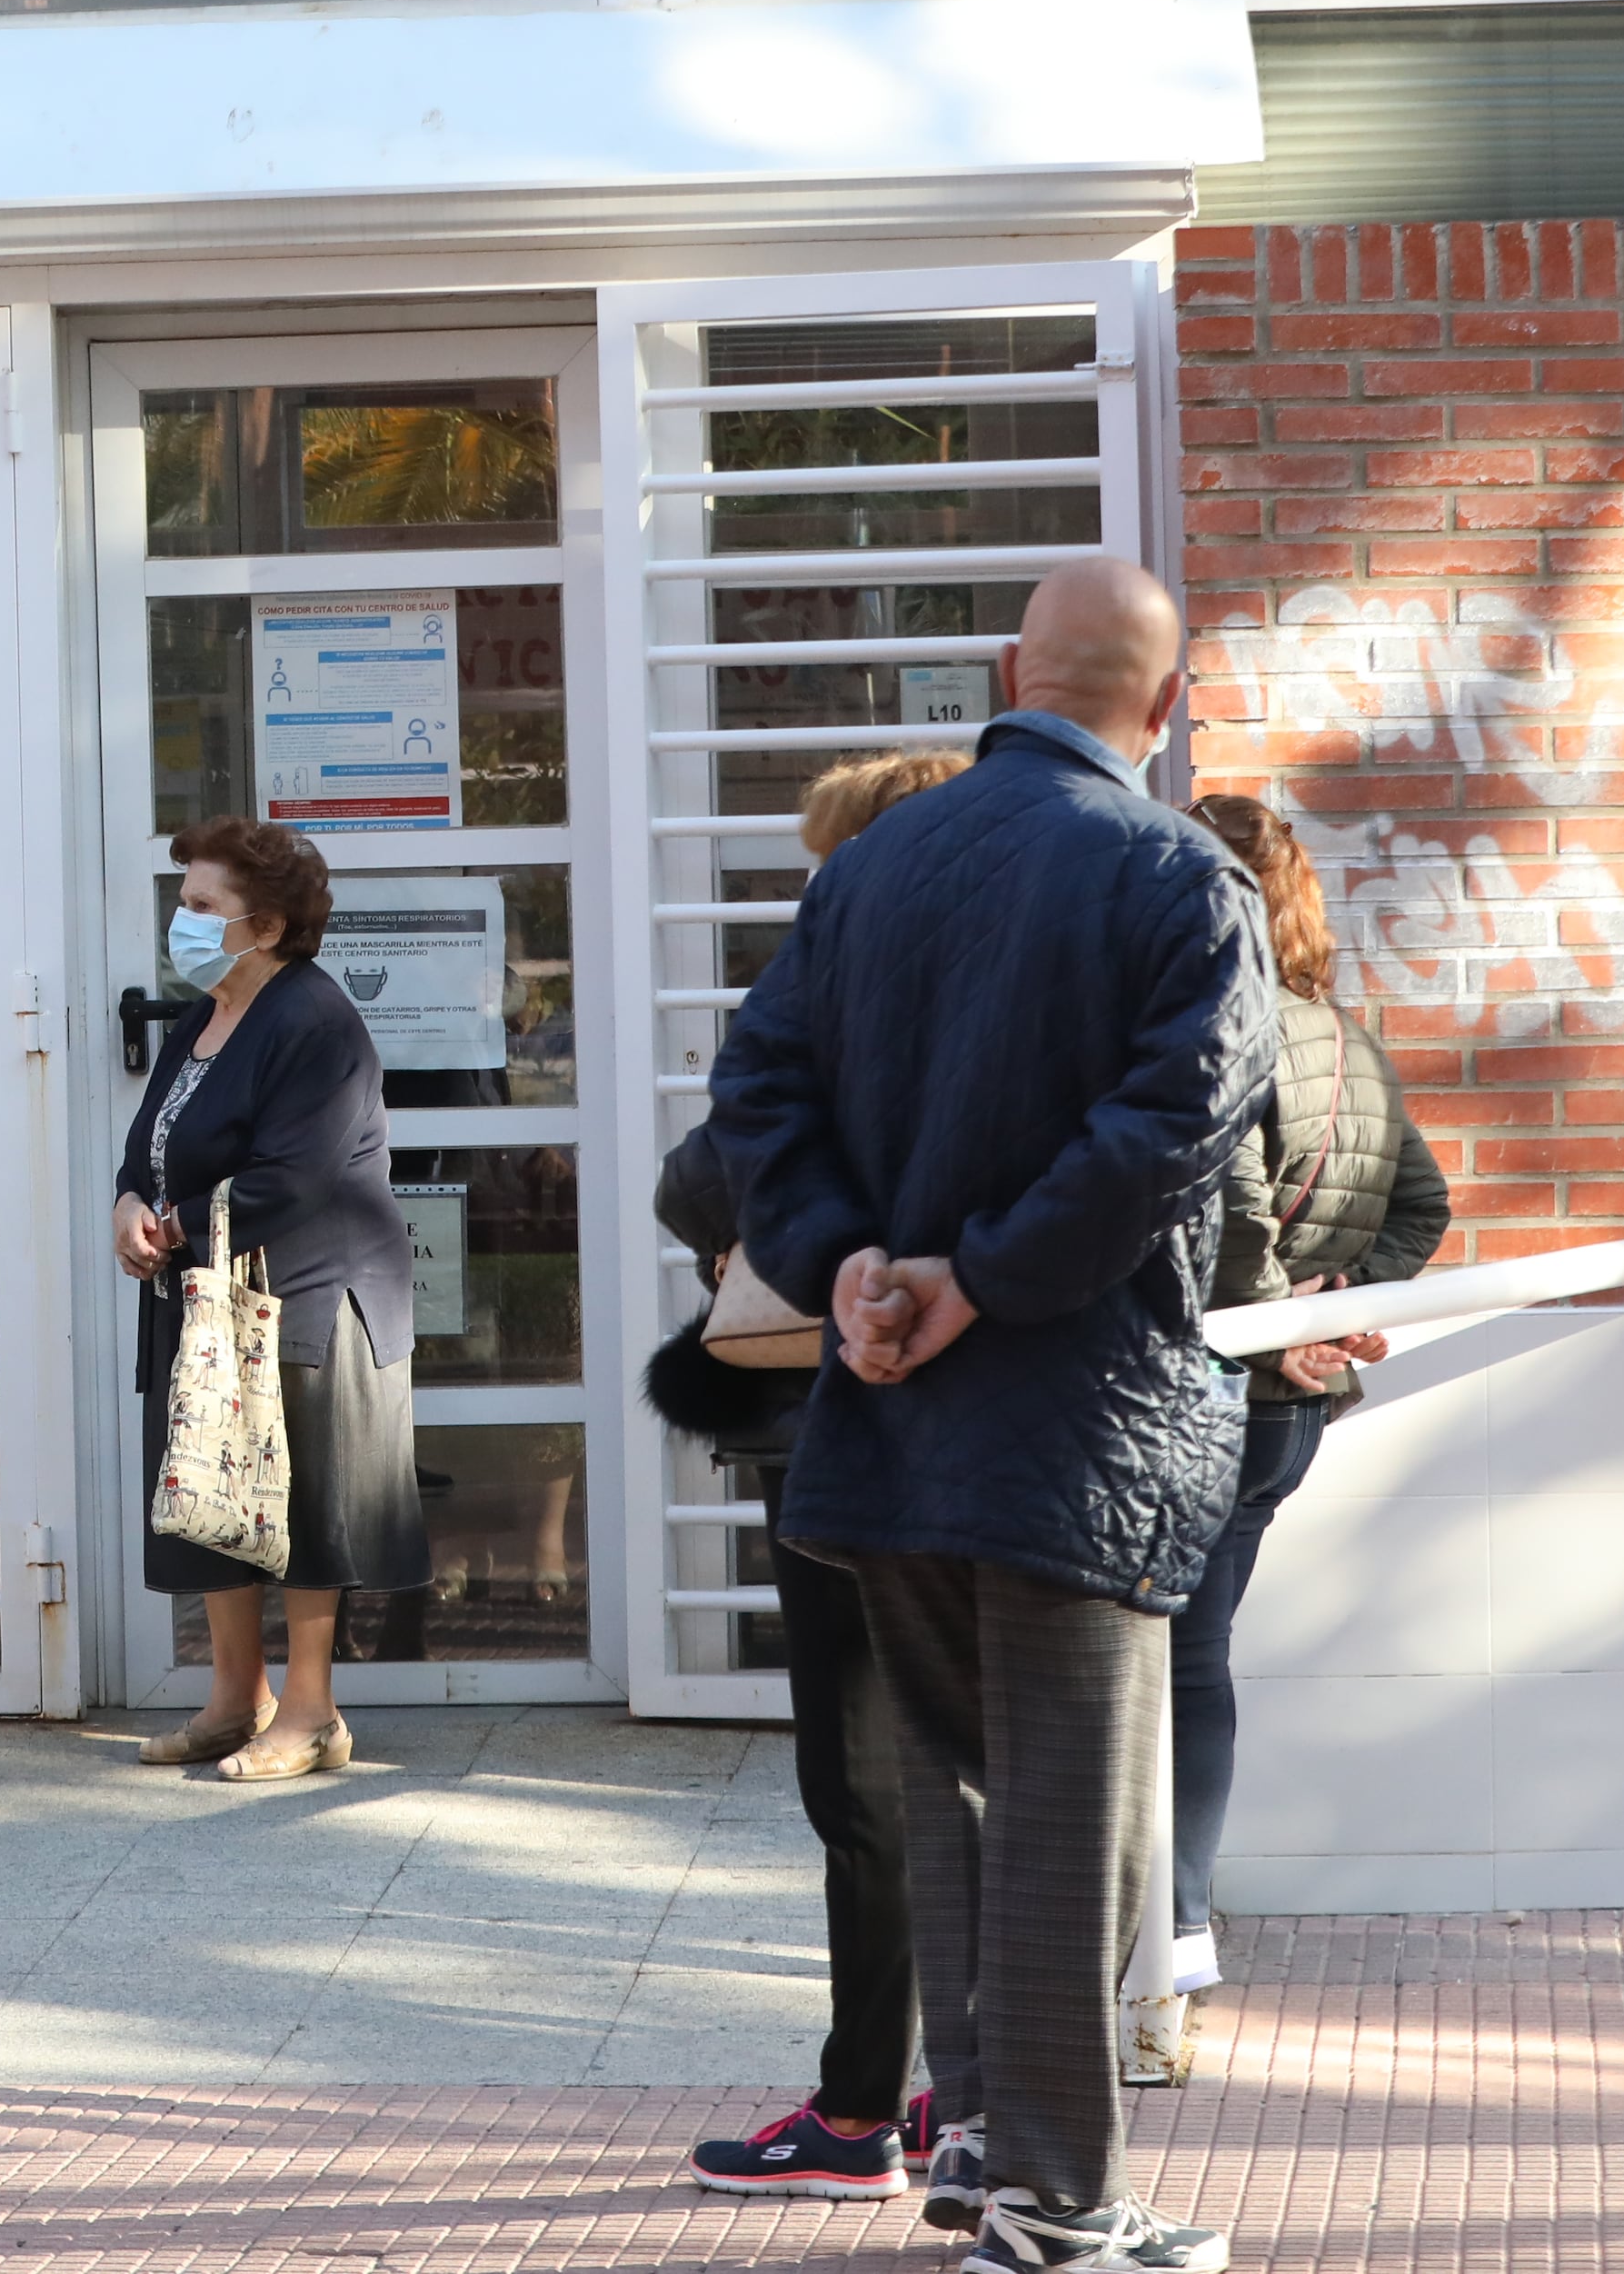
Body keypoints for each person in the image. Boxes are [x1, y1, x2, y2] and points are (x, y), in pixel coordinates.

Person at [709, 556, 1277, 2274]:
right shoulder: (1181, 873)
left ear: (1004, 667)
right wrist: (986, 1273)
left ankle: (974, 2141)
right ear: (1168, 707)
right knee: (1068, 1808)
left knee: (953, 1790)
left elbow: (756, 1092)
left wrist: (857, 1263)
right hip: (1074, 1414)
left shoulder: (871, 863)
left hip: (885, 1413)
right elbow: (1184, 1121)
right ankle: (1048, 2198)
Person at [653, 745, 964, 2200]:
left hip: (831, 1431)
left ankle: (855, 2111)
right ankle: (963, 2103)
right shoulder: (1016, 992)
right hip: (1003, 1429)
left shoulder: (833, 989)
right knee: (1002, 1770)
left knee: (864, 1780)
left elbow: (704, 1174)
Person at [1164, 793, 1444, 2004]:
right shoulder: (1350, 1040)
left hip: (1228, 1387)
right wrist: (1335, 1313)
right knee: (1198, 1657)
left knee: (1175, 1666)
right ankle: (1169, 1913)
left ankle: (1169, 1925)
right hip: (1291, 1416)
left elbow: (1229, 1208)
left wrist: (1284, 1330)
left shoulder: (1219, 1033)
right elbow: (1424, 1207)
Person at [112, 813, 423, 1783]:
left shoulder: (313, 1018)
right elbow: (148, 1147)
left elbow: (297, 1173)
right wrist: (129, 1203)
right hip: (207, 1294)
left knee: (301, 1499)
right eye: (182, 902)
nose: (184, 921)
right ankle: (232, 1700)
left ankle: (310, 1713)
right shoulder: (204, 1015)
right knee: (214, 1490)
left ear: (268, 926)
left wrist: (174, 1222)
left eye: (203, 906)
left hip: (306, 1299)